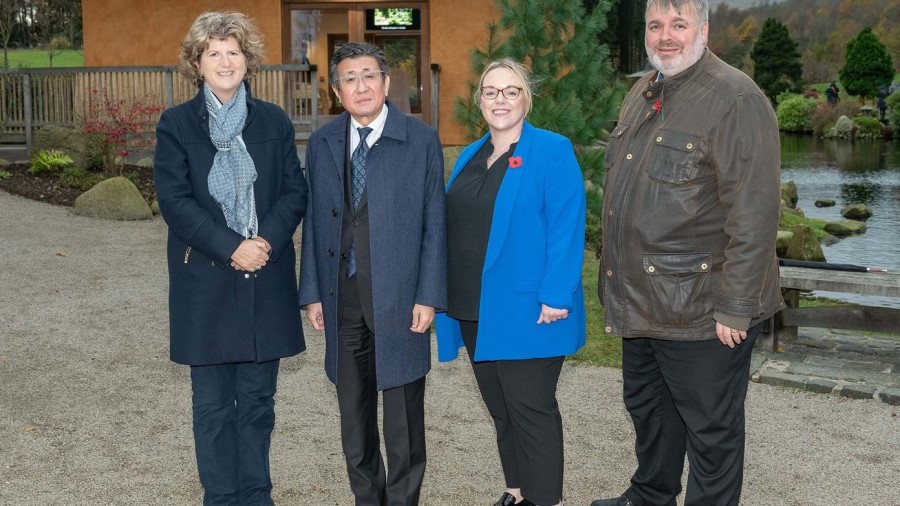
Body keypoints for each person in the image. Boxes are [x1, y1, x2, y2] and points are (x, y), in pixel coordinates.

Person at [592, 1, 783, 505]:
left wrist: (736, 305)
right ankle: (651, 494)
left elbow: (756, 214)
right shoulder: (644, 90)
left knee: (710, 430)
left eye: (679, 25)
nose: (665, 36)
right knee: (650, 409)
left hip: (702, 306)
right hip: (644, 298)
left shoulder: (735, 98)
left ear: (703, 28)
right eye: (656, 25)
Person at [153, 11, 308, 505]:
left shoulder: (274, 121)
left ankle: (256, 495)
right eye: (214, 53)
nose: (225, 61)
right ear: (197, 64)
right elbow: (174, 201)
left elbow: (293, 191)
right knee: (214, 407)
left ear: (248, 61)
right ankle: (220, 498)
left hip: (265, 278)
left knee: (258, 404)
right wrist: (231, 247)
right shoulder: (176, 124)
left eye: (233, 52)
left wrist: (262, 243)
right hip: (207, 282)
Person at [297, 42, 446, 505]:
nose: (359, 86)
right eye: (348, 78)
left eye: (368, 76)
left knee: (402, 421)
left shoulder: (419, 139)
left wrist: (428, 295)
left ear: (384, 83)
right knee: (354, 419)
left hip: (401, 299)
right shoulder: (322, 143)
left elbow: (434, 224)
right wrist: (312, 293)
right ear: (336, 90)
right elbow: (315, 218)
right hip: (343, 298)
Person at [434, 58, 586, 506]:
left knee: (531, 412)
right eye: (491, 91)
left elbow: (566, 225)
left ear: (526, 98)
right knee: (501, 411)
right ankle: (517, 492)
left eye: (511, 90)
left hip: (530, 309)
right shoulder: (470, 154)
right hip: (474, 307)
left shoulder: (551, 150)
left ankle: (546, 501)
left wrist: (557, 293)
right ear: (479, 99)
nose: (500, 99)